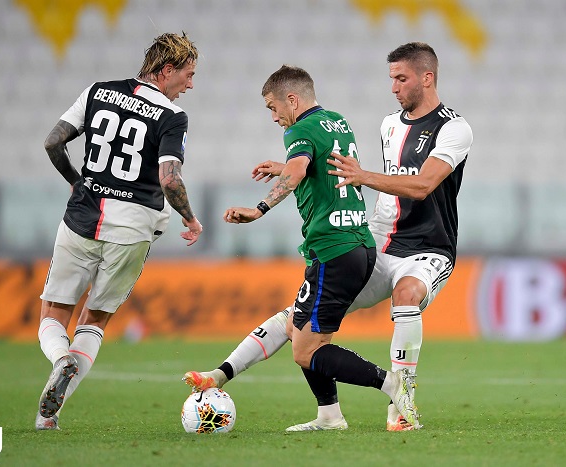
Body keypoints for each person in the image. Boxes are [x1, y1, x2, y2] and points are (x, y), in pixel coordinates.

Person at [184, 42, 473, 432]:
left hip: (428, 249)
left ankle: (400, 403)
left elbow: (422, 185)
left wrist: (358, 175)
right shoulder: (389, 125)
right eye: (392, 79)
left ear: (427, 78)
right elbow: (324, 165)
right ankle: (323, 412)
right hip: (378, 241)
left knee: (405, 295)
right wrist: (293, 167)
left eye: (401, 79)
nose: (394, 88)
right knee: (299, 324)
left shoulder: (455, 128)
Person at [216, 64, 417, 430]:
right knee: (304, 330)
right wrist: (284, 165)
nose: (274, 117)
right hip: (359, 244)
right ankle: (329, 415)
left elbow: (297, 172)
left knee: (305, 349)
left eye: (273, 107)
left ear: (292, 99)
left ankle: (391, 383)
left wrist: (259, 208)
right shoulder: (337, 121)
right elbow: (318, 166)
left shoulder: (299, 128)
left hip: (332, 249)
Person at [35, 32, 203, 430]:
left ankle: (61, 359)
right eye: (189, 74)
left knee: (53, 315)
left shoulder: (97, 91)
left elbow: (53, 142)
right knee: (95, 320)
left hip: (82, 218)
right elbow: (170, 179)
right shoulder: (172, 115)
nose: (191, 84)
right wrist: (190, 218)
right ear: (166, 71)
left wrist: (78, 183)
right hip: (133, 226)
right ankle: (50, 413)